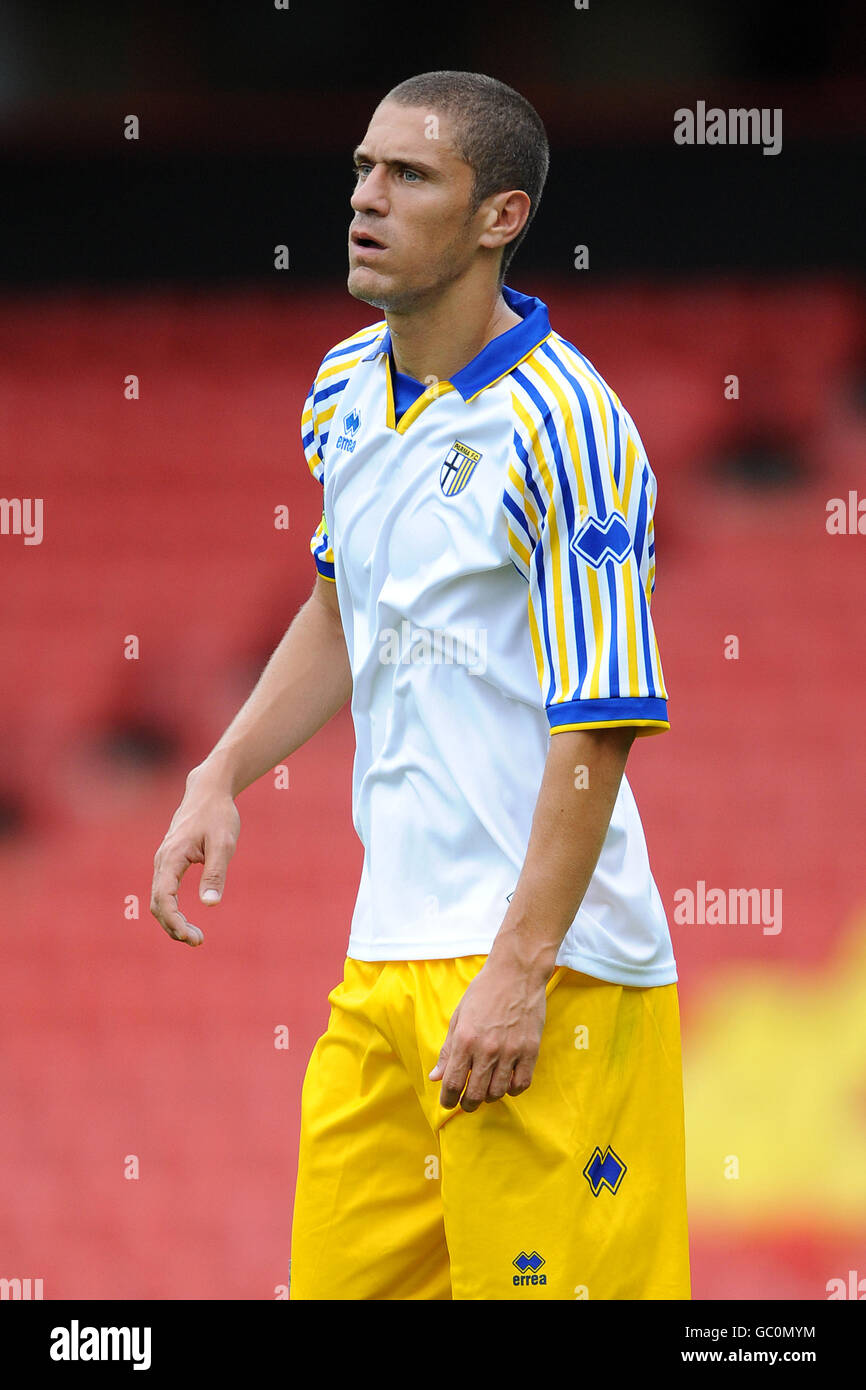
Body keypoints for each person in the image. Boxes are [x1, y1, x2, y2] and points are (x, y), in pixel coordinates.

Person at [150, 69, 690, 1302]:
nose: (364, 199)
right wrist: (222, 768)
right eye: (360, 169)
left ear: (499, 215)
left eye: (408, 176)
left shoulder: (572, 428)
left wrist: (517, 969)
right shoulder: (340, 390)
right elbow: (345, 606)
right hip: (383, 966)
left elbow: (597, 727)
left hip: (551, 976)